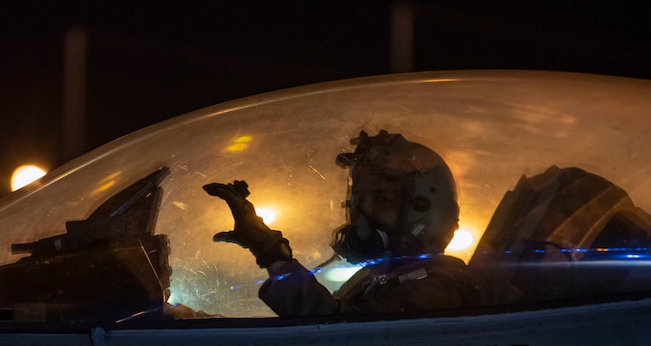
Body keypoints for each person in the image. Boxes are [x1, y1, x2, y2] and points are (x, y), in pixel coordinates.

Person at [203, 129, 487, 316]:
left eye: (381, 199)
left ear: (424, 214)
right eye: (357, 200)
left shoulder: (443, 290)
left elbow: (344, 343)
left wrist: (270, 251)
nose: (360, 213)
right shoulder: (375, 281)